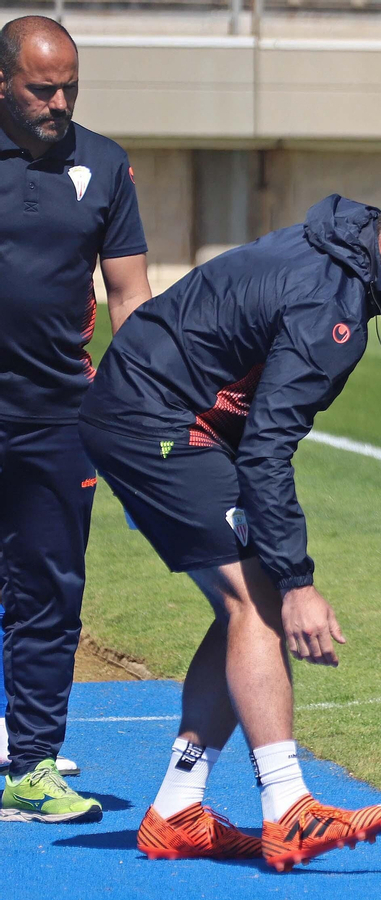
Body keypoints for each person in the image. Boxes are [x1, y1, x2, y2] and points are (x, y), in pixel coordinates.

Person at [77, 181, 381, 868]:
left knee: (243, 599)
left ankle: (178, 806)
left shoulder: (342, 257)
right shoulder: (332, 304)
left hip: (157, 409)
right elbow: (269, 446)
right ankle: (288, 806)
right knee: (259, 598)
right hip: (154, 418)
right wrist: (300, 582)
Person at [0, 15, 150, 823]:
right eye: (41, 88)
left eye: (70, 88)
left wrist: (152, 397)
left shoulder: (104, 163)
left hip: (57, 414)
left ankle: (30, 765)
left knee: (48, 593)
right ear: (1, 83)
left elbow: (128, 294)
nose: (59, 103)